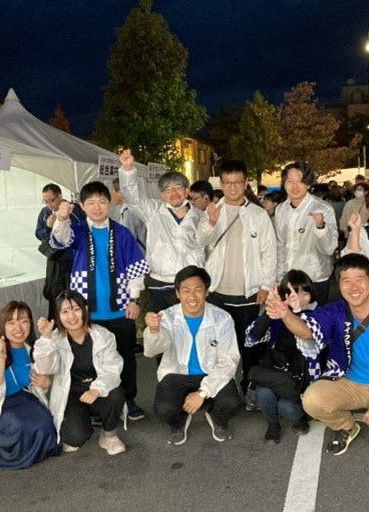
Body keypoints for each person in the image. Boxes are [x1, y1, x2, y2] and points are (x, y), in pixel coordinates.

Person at [266, 254, 369, 460]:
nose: (353, 287)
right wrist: (286, 314)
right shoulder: (333, 311)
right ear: (339, 284)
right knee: (312, 400)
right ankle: (345, 426)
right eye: (346, 280)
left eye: (360, 279)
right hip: (346, 382)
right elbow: (306, 331)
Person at [49, 179, 149, 420]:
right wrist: (62, 218)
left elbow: (136, 270)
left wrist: (134, 300)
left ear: (110, 204)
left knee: (125, 358)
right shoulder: (78, 231)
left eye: (101, 202)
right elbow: (59, 240)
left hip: (120, 310)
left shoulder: (122, 233)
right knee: (90, 362)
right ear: (82, 206)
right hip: (86, 313)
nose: (96, 207)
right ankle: (96, 403)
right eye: (91, 203)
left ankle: (129, 399)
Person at [195, 160, 276, 407]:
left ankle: (249, 388)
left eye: (237, 182)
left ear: (245, 183)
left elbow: (269, 251)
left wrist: (265, 285)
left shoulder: (258, 214)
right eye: (227, 183)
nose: (232, 187)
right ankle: (217, 390)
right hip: (217, 291)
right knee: (215, 346)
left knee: (248, 346)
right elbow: (200, 241)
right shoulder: (212, 210)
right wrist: (210, 221)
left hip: (248, 292)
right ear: (221, 183)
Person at [144, 266, 242, 444]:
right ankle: (179, 421)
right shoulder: (166, 317)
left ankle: (216, 417)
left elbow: (229, 361)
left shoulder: (222, 318)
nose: (192, 296)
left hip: (211, 373)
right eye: (186, 290)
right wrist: (153, 330)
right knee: (163, 409)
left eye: (198, 290)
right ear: (177, 293)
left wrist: (203, 393)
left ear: (207, 292)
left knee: (232, 403)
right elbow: (151, 352)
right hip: (176, 375)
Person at [33, 290, 127, 455]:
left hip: (98, 391)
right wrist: (46, 338)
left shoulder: (103, 335)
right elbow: (45, 368)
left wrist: (96, 389)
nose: (72, 316)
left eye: (76, 309)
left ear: (85, 309)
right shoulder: (53, 339)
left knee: (116, 393)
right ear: (58, 315)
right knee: (75, 438)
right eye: (65, 311)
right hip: (70, 394)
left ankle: (109, 435)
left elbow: (113, 369)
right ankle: (82, 422)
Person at [118, 150, 204, 313]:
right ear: (162, 194)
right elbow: (132, 198)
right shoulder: (153, 211)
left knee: (188, 332)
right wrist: (127, 170)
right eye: (167, 189)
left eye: (178, 187)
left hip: (190, 285)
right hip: (159, 285)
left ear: (187, 191)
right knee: (160, 333)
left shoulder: (201, 217)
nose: (173, 192)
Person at [0, 301, 58, 468]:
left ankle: (38, 451)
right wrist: (0, 358)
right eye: (11, 322)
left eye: (24, 321)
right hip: (1, 403)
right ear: (2, 326)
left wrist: (46, 382)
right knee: (19, 424)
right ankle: (12, 456)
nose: (18, 328)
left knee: (45, 422)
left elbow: (49, 372)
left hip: (27, 398)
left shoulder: (34, 348)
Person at [245, 270, 317, 444]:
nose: (298, 298)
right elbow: (251, 339)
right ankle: (272, 425)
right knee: (262, 392)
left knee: (287, 407)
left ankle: (301, 418)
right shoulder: (277, 316)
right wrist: (269, 312)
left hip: (302, 378)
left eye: (304, 293)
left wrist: (298, 312)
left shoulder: (319, 316)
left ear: (311, 295)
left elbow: (312, 348)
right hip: (277, 372)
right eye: (292, 293)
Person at [274, 161, 338, 306]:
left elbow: (329, 249)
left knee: (314, 324)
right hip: (288, 279)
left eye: (300, 181)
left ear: (308, 184)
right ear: (284, 184)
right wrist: (279, 278)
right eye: (290, 181)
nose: (294, 186)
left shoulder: (323, 208)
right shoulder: (280, 209)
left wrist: (321, 227)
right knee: (291, 324)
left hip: (314, 280)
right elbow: (280, 244)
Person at [35, 183, 86, 321]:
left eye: (51, 200)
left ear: (60, 196)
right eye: (45, 201)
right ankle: (56, 326)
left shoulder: (74, 210)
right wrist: (47, 227)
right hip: (55, 261)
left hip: (74, 261)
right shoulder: (45, 213)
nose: (49, 204)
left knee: (74, 297)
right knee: (55, 297)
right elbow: (39, 234)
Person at [107, 181, 146, 251]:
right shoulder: (127, 210)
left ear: (119, 193)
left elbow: (127, 240)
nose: (112, 198)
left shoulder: (128, 212)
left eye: (113, 194)